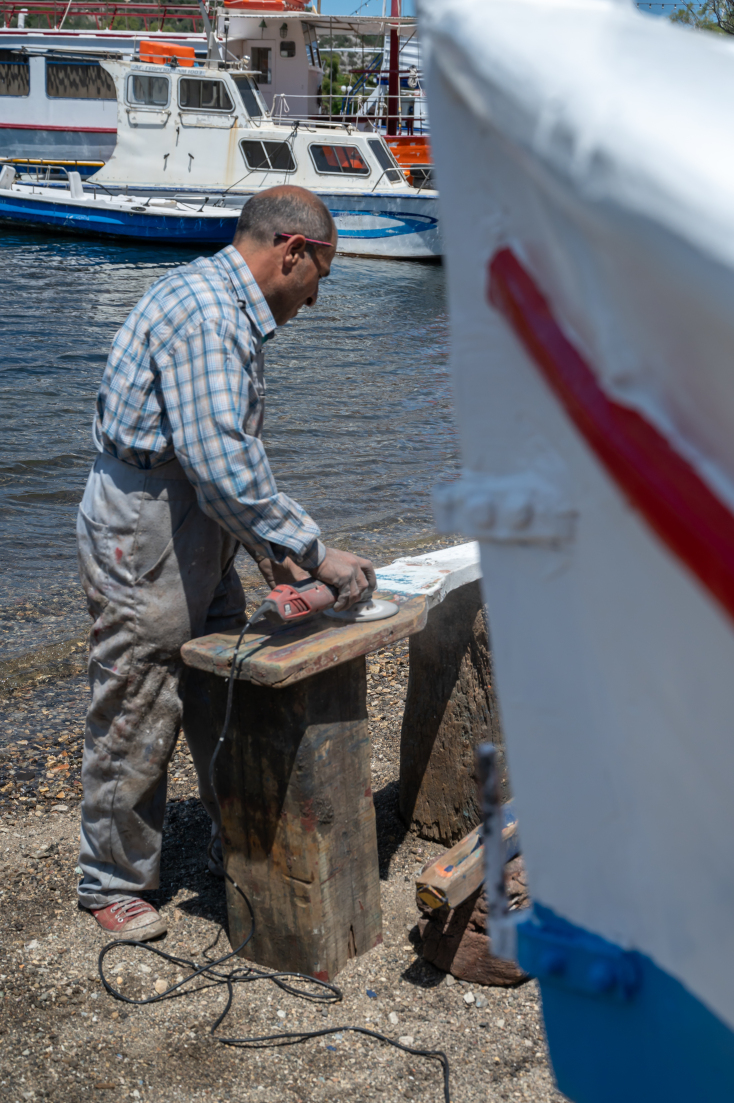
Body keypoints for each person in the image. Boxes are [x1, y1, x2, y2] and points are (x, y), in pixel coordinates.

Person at [75, 185, 376, 940]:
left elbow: (223, 462)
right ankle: (111, 879)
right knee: (141, 689)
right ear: (294, 252)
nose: (312, 303)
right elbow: (222, 467)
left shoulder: (219, 304)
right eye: (319, 280)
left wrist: (267, 555)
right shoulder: (210, 315)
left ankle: (234, 833)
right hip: (148, 514)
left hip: (189, 509)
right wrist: (315, 552)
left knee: (221, 680)